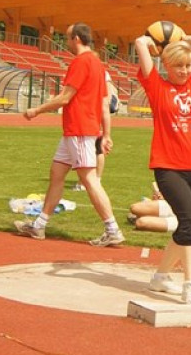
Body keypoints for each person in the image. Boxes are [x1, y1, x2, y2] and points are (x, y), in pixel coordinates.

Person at [14, 22, 124, 246]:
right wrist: (106, 134)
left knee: (89, 180)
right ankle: (39, 226)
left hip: (79, 130)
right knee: (56, 174)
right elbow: (104, 103)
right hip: (75, 131)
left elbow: (65, 98)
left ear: (77, 39)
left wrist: (36, 110)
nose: (66, 43)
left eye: (67, 38)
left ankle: (112, 229)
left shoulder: (81, 62)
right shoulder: (97, 64)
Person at [134, 29, 191, 304]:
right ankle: (190, 283)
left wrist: (186, 39)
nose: (184, 71)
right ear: (166, 65)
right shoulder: (156, 87)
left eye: (188, 65)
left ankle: (160, 277)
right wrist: (154, 43)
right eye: (178, 66)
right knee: (190, 222)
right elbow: (140, 43)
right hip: (168, 168)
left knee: (189, 224)